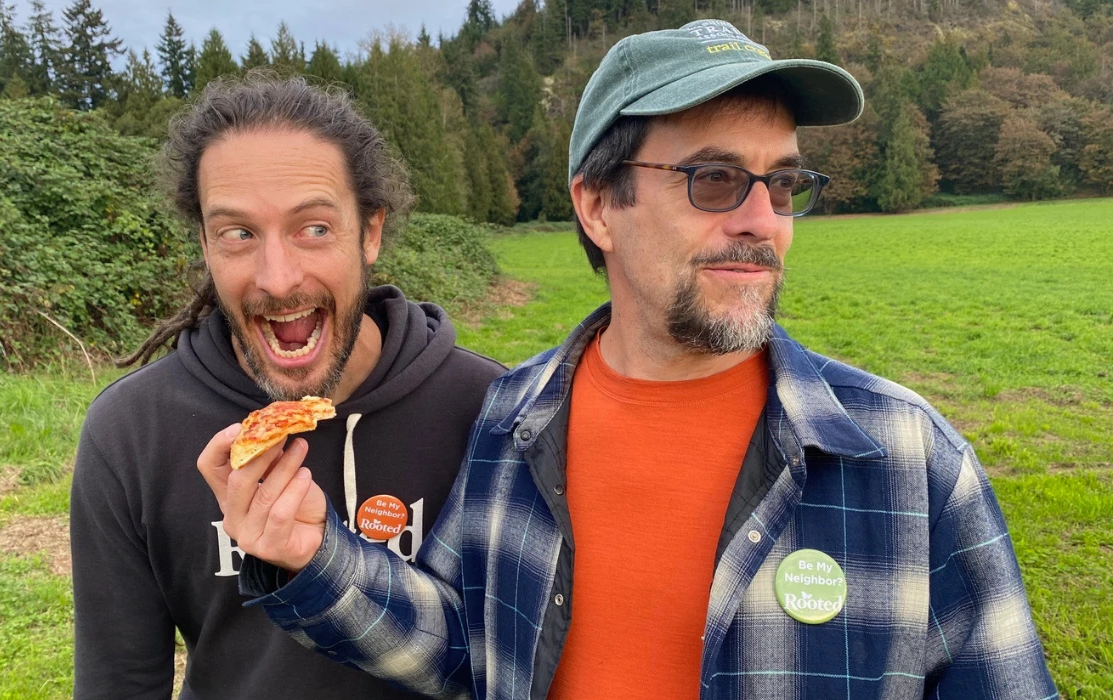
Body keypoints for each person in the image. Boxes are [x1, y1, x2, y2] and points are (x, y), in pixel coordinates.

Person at [198, 21, 1057, 700]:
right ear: (599, 204)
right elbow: (467, 648)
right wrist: (313, 557)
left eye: (783, 183)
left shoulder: (907, 460)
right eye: (714, 180)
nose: (761, 219)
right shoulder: (512, 420)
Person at [69, 75, 504, 700]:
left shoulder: (487, 408)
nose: (277, 279)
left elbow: (511, 660)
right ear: (206, 245)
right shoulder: (132, 431)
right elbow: (119, 684)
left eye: (314, 228)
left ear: (371, 232)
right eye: (238, 234)